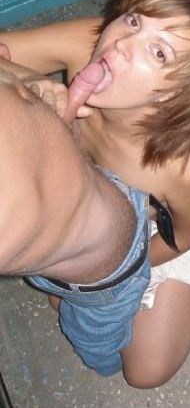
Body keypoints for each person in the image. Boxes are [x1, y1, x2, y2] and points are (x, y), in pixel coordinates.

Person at [0, 0, 190, 388]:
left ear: (175, 95)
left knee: (146, 372)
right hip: (87, 191)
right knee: (63, 295)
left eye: (159, 53)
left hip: (156, 226)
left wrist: (119, 272)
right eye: (133, 20)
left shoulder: (186, 167)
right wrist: (31, 82)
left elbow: (180, 238)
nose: (121, 45)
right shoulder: (87, 43)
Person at [0, 63, 151, 376]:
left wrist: (31, 83)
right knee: (94, 338)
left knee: (100, 344)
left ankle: (105, 360)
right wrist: (28, 87)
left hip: (107, 270)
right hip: (88, 266)